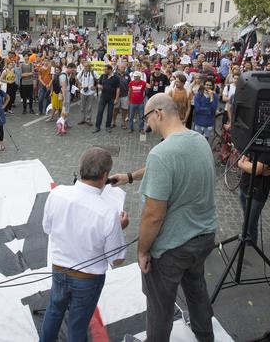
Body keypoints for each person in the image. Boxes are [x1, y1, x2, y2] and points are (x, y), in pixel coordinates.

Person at [130, 93, 217, 342]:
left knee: (160, 307)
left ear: (157, 113)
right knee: (196, 289)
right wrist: (130, 176)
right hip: (203, 237)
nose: (147, 125)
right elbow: (171, 164)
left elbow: (153, 216)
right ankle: (205, 334)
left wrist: (142, 251)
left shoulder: (161, 153)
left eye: (148, 119)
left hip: (173, 247)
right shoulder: (199, 140)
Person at [39, 147, 128, 341]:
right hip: (87, 279)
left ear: (81, 169)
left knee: (54, 311)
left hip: (59, 269)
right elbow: (117, 259)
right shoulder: (108, 212)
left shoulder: (57, 194)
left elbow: (47, 228)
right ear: (105, 176)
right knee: (78, 325)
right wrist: (119, 228)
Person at [93, 65, 120, 133]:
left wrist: (116, 99)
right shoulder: (103, 76)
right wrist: (99, 86)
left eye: (105, 69)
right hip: (103, 97)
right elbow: (98, 84)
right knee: (100, 112)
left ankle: (108, 126)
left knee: (110, 113)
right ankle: (97, 127)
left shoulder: (116, 77)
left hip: (112, 98)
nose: (104, 71)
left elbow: (118, 88)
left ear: (110, 70)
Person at [112, 63, 131, 129]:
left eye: (124, 67)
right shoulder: (114, 75)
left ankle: (123, 122)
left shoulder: (127, 75)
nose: (123, 68)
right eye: (122, 67)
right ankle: (113, 121)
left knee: (124, 109)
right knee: (115, 109)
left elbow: (129, 85)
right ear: (118, 68)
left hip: (125, 95)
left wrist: (129, 95)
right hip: (116, 95)